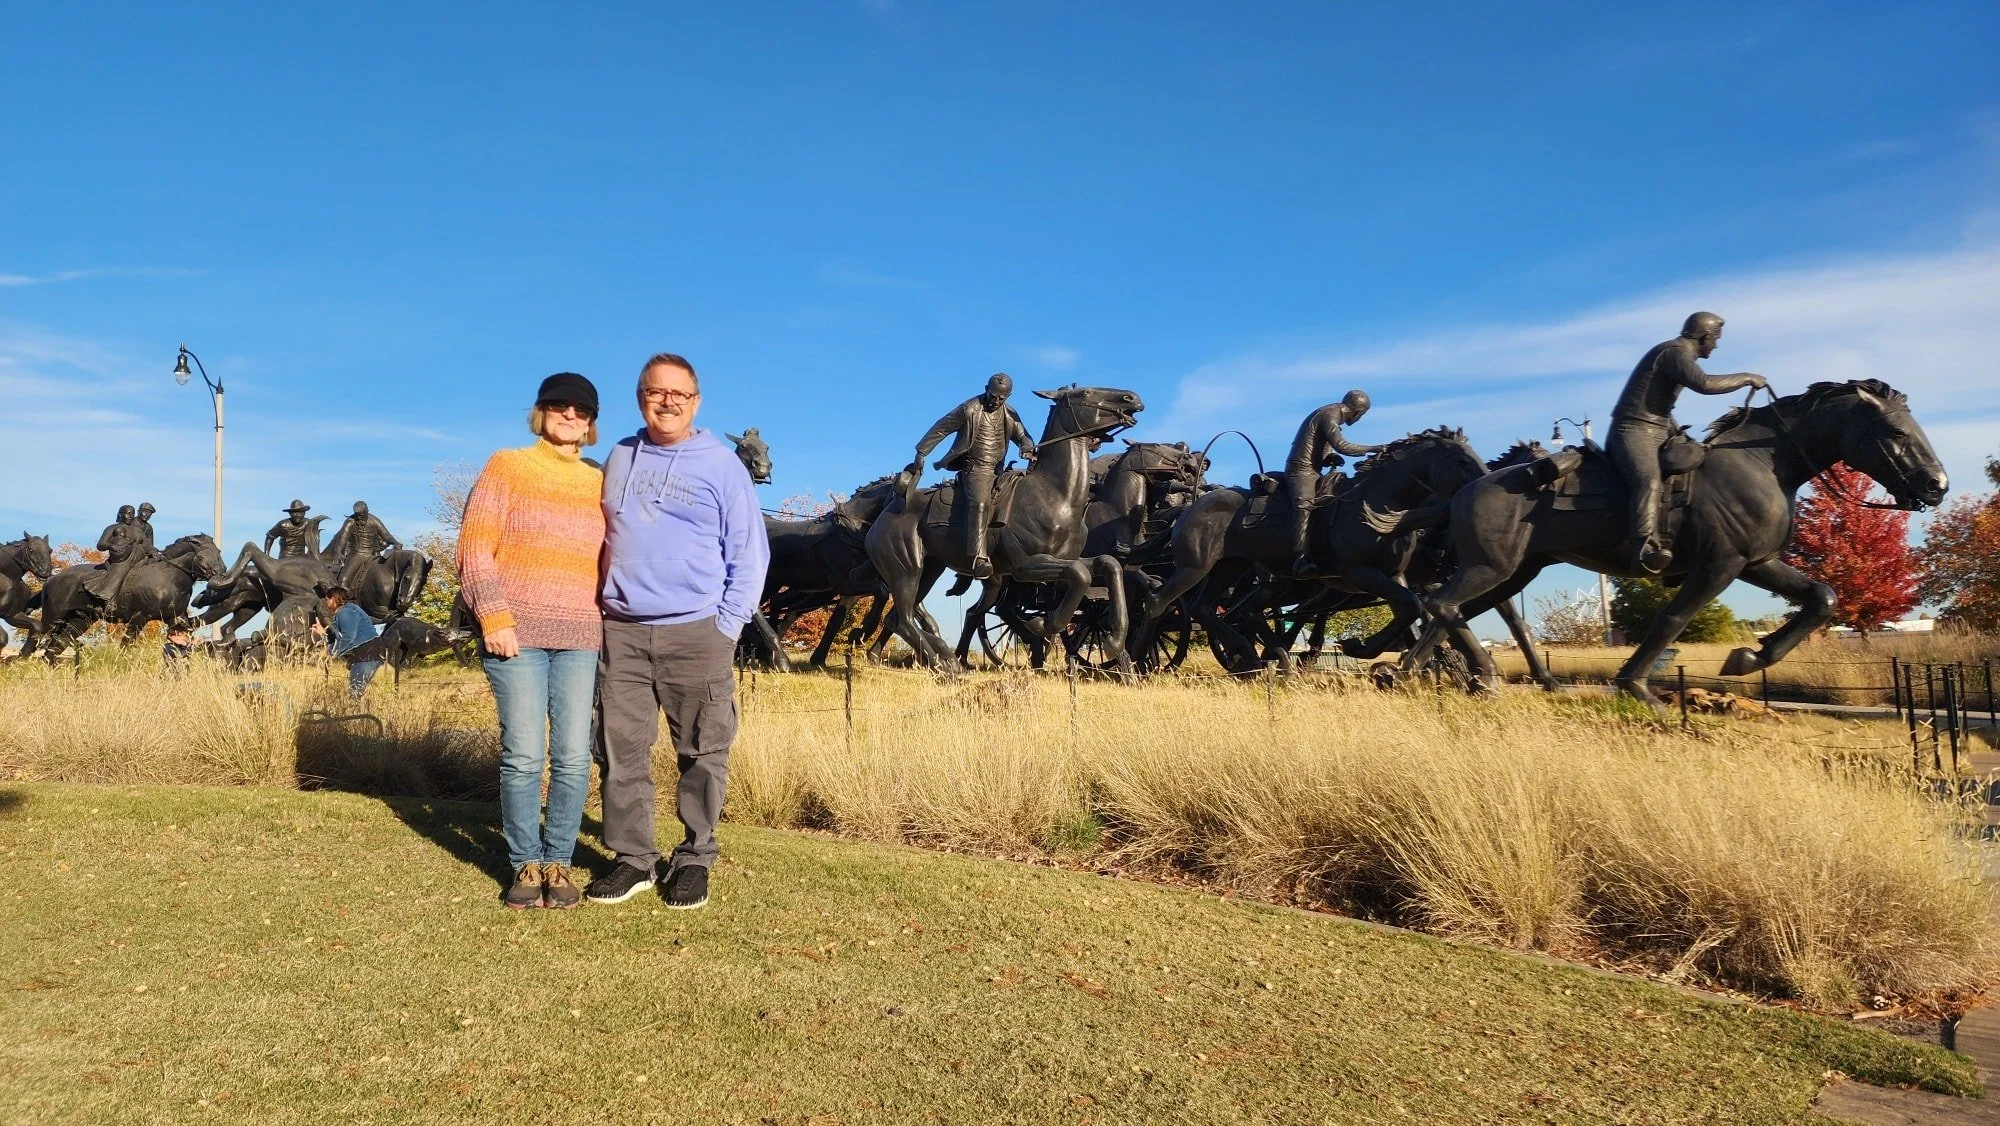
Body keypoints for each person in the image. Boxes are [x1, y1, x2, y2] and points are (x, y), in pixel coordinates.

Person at [588, 353, 769, 910]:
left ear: (696, 402)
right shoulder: (619, 456)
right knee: (620, 751)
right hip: (620, 631)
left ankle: (694, 857)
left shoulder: (721, 466)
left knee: (703, 749)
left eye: (679, 395)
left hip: (697, 632)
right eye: (654, 392)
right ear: (640, 396)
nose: (666, 402)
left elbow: (749, 552)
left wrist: (726, 627)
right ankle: (633, 859)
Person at [456, 373, 608, 911]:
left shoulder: (601, 479)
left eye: (581, 410)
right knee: (524, 755)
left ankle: (558, 862)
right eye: (558, 405)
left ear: (591, 423)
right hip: (514, 635)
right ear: (540, 412)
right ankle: (524, 860)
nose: (570, 415)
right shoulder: (508, 465)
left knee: (570, 756)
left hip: (582, 635)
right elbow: (475, 547)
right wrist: (493, 616)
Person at [1607, 312, 1766, 573]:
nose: (1716, 345)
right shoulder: (1675, 353)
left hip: (1658, 429)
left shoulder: (1679, 353)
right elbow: (1704, 384)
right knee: (1648, 480)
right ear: (1705, 336)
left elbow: (1658, 405)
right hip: (1632, 431)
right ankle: (1644, 546)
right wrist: (1746, 377)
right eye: (1715, 339)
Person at [908, 373, 1038, 578]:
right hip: (975, 469)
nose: (996, 401)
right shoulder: (969, 408)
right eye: (993, 395)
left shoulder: (1010, 414)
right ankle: (978, 557)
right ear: (986, 387)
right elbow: (942, 427)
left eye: (1001, 398)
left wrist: (1026, 447)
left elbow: (1023, 436)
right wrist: (922, 452)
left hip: (999, 471)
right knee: (979, 503)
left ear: (1009, 396)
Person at [1285, 391, 1384, 576]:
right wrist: (1372, 448)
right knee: (1304, 504)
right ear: (1358, 412)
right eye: (1362, 415)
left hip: (1315, 471)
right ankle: (1300, 557)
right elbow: (1342, 446)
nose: (1360, 419)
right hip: (1300, 471)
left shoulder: (1333, 416)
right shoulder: (1329, 415)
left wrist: (1330, 457)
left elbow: (1326, 449)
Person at [323, 586, 381, 697]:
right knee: (356, 692)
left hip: (366, 654)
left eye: (327, 600)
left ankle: (358, 713)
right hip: (367, 653)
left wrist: (330, 651)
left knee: (355, 693)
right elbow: (343, 636)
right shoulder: (350, 609)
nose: (327, 604)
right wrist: (323, 633)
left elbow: (348, 638)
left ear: (333, 599)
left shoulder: (345, 612)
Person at [329, 501, 402, 589]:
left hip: (374, 555)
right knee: (343, 579)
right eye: (357, 516)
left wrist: (395, 543)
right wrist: (338, 552)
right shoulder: (350, 522)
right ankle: (341, 600)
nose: (359, 518)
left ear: (367, 511)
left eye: (362, 515)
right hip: (357, 554)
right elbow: (342, 538)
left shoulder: (374, 521)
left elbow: (386, 536)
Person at [82, 504, 146, 604]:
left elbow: (148, 546)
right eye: (128, 513)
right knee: (121, 572)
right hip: (122, 561)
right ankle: (111, 601)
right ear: (120, 514)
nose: (130, 516)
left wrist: (155, 552)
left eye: (132, 514)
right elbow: (100, 545)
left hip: (141, 559)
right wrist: (111, 546)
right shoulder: (112, 528)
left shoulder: (138, 531)